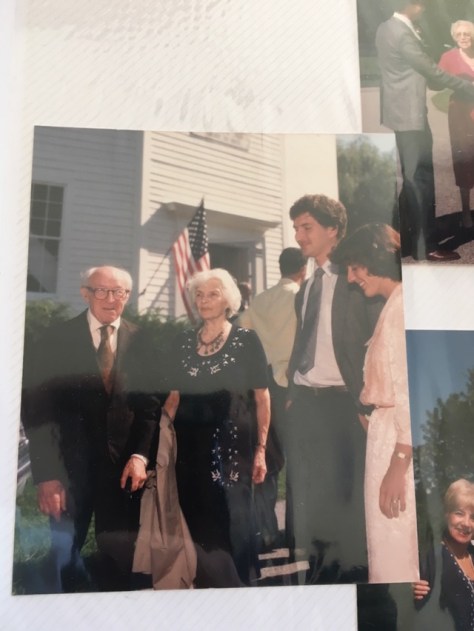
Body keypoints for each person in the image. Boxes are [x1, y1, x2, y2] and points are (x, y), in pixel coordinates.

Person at [22, 266, 161, 592]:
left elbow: (150, 407)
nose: (111, 299)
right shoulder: (56, 339)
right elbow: (38, 412)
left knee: (119, 562)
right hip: (68, 471)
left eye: (119, 292)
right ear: (85, 294)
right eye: (101, 291)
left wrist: (140, 456)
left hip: (123, 471)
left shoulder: (141, 340)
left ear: (128, 296)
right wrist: (47, 476)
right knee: (62, 563)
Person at [286, 194, 381, 585]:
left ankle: (347, 579)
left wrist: (367, 401)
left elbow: (375, 340)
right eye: (296, 228)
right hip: (306, 403)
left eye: (306, 227)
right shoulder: (307, 285)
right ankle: (320, 575)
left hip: (344, 404)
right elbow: (303, 340)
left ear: (333, 230)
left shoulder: (355, 278)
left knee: (345, 496)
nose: (299, 235)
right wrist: (292, 390)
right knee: (311, 496)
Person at [163, 268, 271, 587]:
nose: (204, 300)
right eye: (199, 294)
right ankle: (207, 585)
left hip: (232, 448)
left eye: (213, 294)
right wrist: (161, 445)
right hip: (189, 448)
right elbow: (172, 398)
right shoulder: (181, 342)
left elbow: (262, 397)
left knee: (234, 517)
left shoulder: (247, 340)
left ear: (228, 300)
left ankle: (239, 589)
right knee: (195, 514)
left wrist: (261, 450)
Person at [331, 223, 419, 583]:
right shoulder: (393, 305)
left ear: (376, 259)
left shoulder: (400, 309)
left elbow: (410, 391)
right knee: (386, 543)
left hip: (398, 444)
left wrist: (398, 464)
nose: (351, 278)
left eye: (355, 267)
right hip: (387, 435)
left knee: (395, 542)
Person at [376, 0, 474, 261]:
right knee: (421, 179)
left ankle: (401, 239)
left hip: (398, 112)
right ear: (410, 5)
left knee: (411, 177)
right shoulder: (402, 33)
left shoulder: (385, 27)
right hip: (411, 115)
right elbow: (431, 71)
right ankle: (427, 246)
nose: (424, 8)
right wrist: (469, 87)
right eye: (420, 4)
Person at [239, 247, 307, 551]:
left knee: (268, 460)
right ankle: (296, 535)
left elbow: (242, 330)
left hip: (264, 386)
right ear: (303, 268)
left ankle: (266, 532)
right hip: (294, 386)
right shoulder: (301, 296)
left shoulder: (261, 300)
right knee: (299, 464)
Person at [413, 479, 474, 631]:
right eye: (459, 513)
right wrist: (410, 591)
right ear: (447, 515)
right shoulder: (432, 559)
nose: (466, 523)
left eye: (473, 517)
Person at [438, 20, 474, 229]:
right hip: (460, 116)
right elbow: (437, 81)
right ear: (454, 37)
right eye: (459, 34)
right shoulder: (448, 58)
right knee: (464, 162)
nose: (463, 37)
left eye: (467, 33)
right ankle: (466, 213)